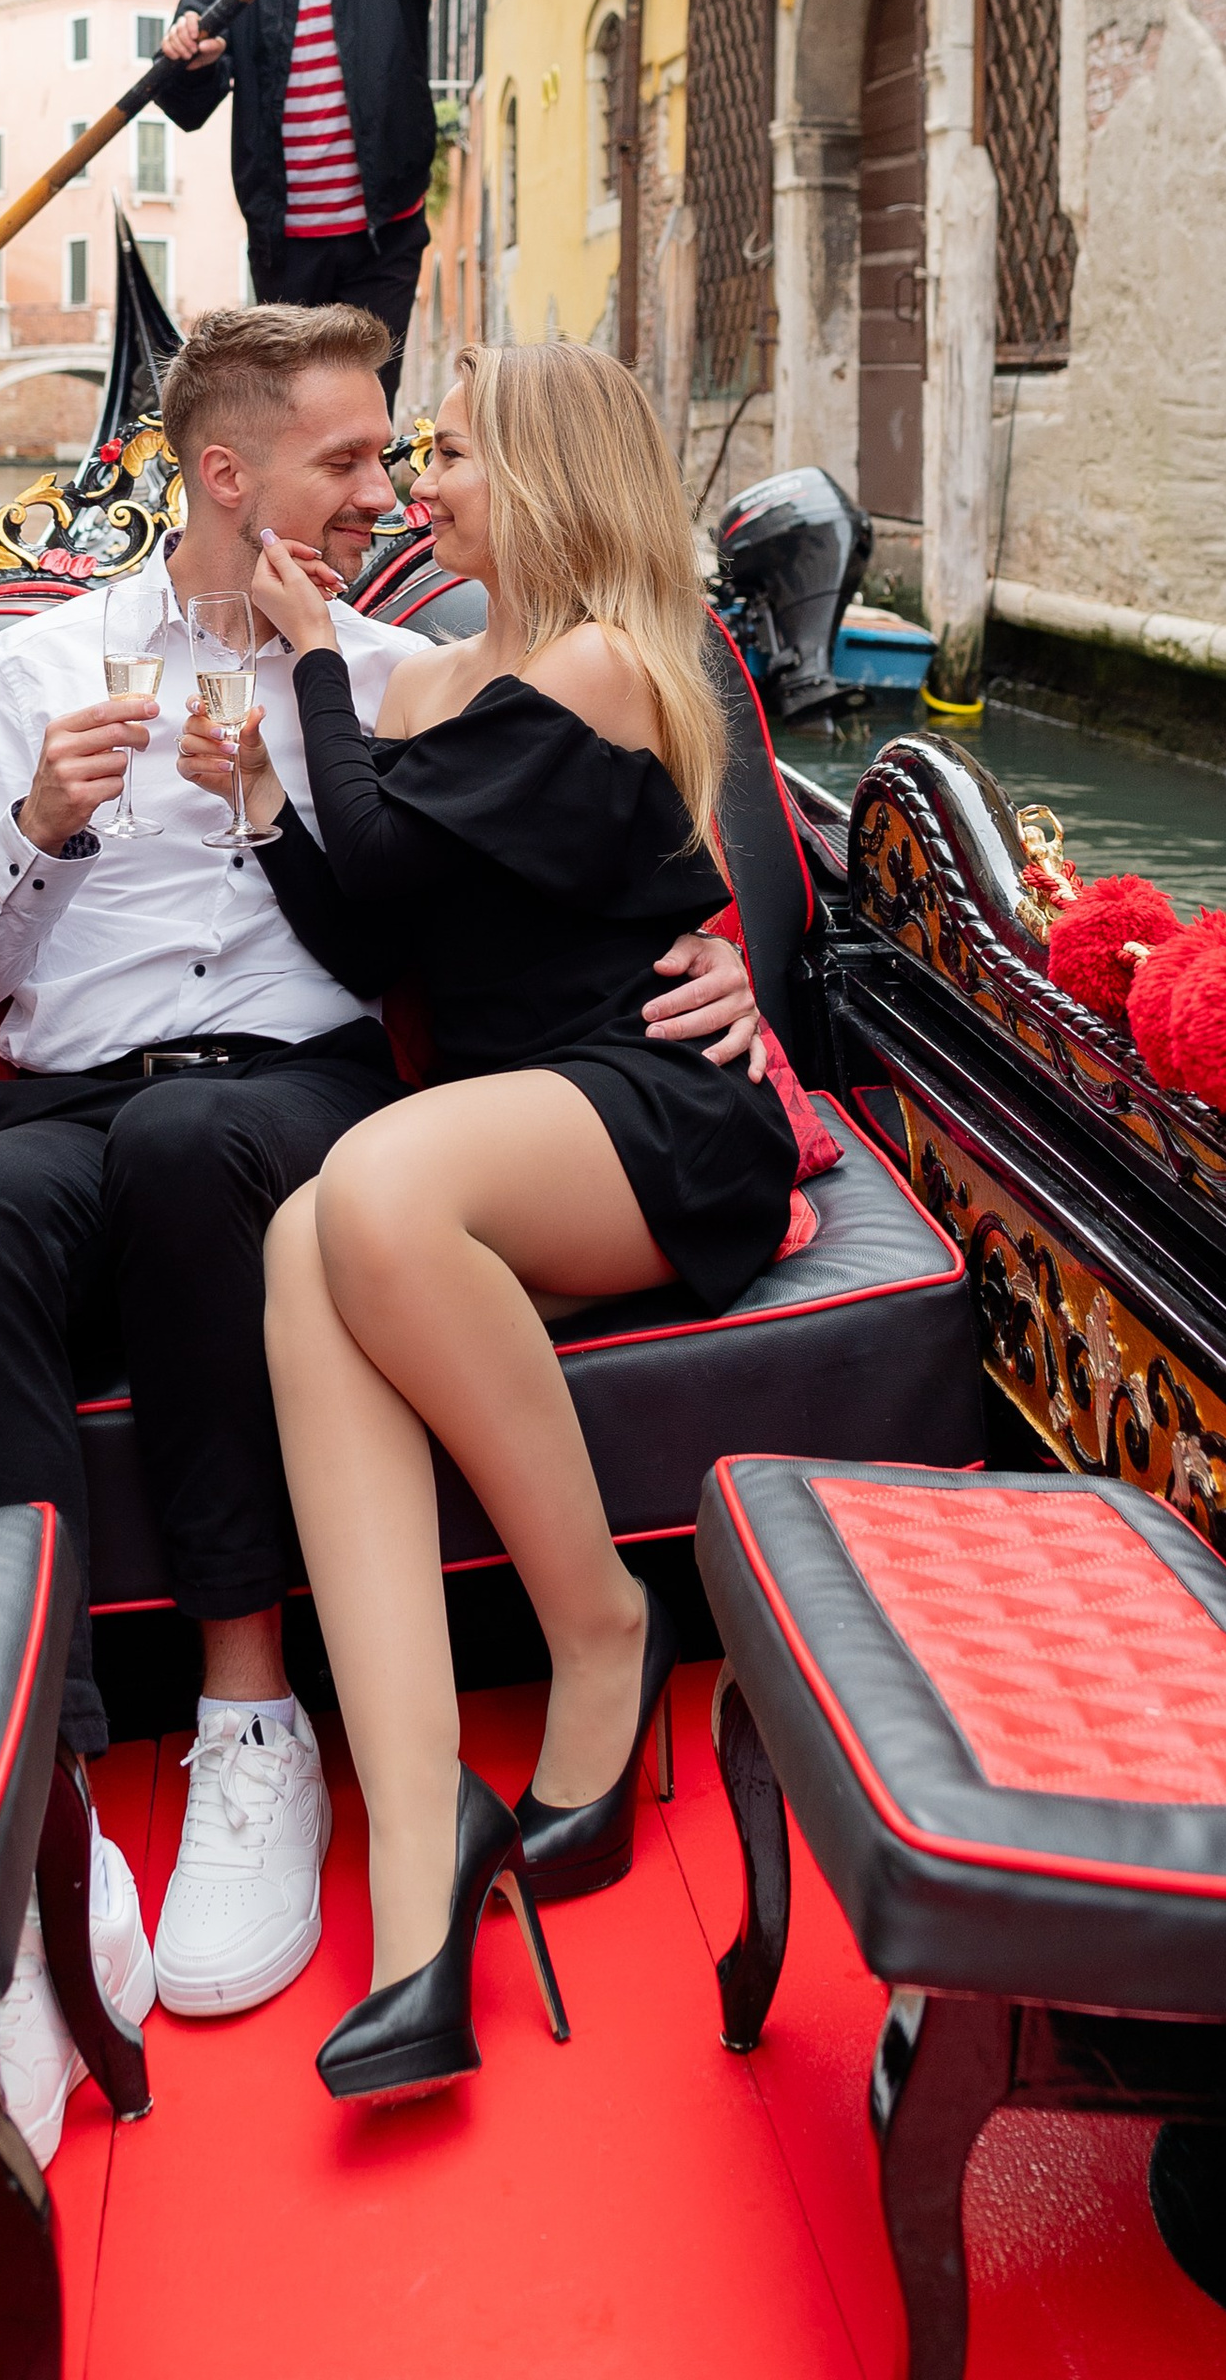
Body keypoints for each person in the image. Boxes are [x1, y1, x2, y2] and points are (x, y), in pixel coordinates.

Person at [0, 304, 762, 2156]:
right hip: (90, 1096)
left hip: (328, 1101)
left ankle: (262, 1718)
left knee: (249, 1160)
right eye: (358, 460)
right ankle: (36, 1814)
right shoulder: (41, 672)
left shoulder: (385, 662)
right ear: (229, 476)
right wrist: (45, 826)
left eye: (419, 455)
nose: (392, 492)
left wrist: (735, 973)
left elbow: (562, 859)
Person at [178, 338, 798, 2106]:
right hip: (516, 1124)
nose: (416, 493)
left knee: (363, 1182)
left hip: (658, 1110)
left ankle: (604, 1619)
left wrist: (308, 669)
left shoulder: (603, 664)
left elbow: (387, 857)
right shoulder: (437, 674)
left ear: (547, 479)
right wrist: (265, 806)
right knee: (308, 1235)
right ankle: (414, 1902)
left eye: (448, 459)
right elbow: (384, 929)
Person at [148, 0, 485, 403]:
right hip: (282, 242)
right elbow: (185, 103)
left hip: (384, 231)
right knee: (295, 416)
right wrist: (188, 61)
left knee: (364, 409)